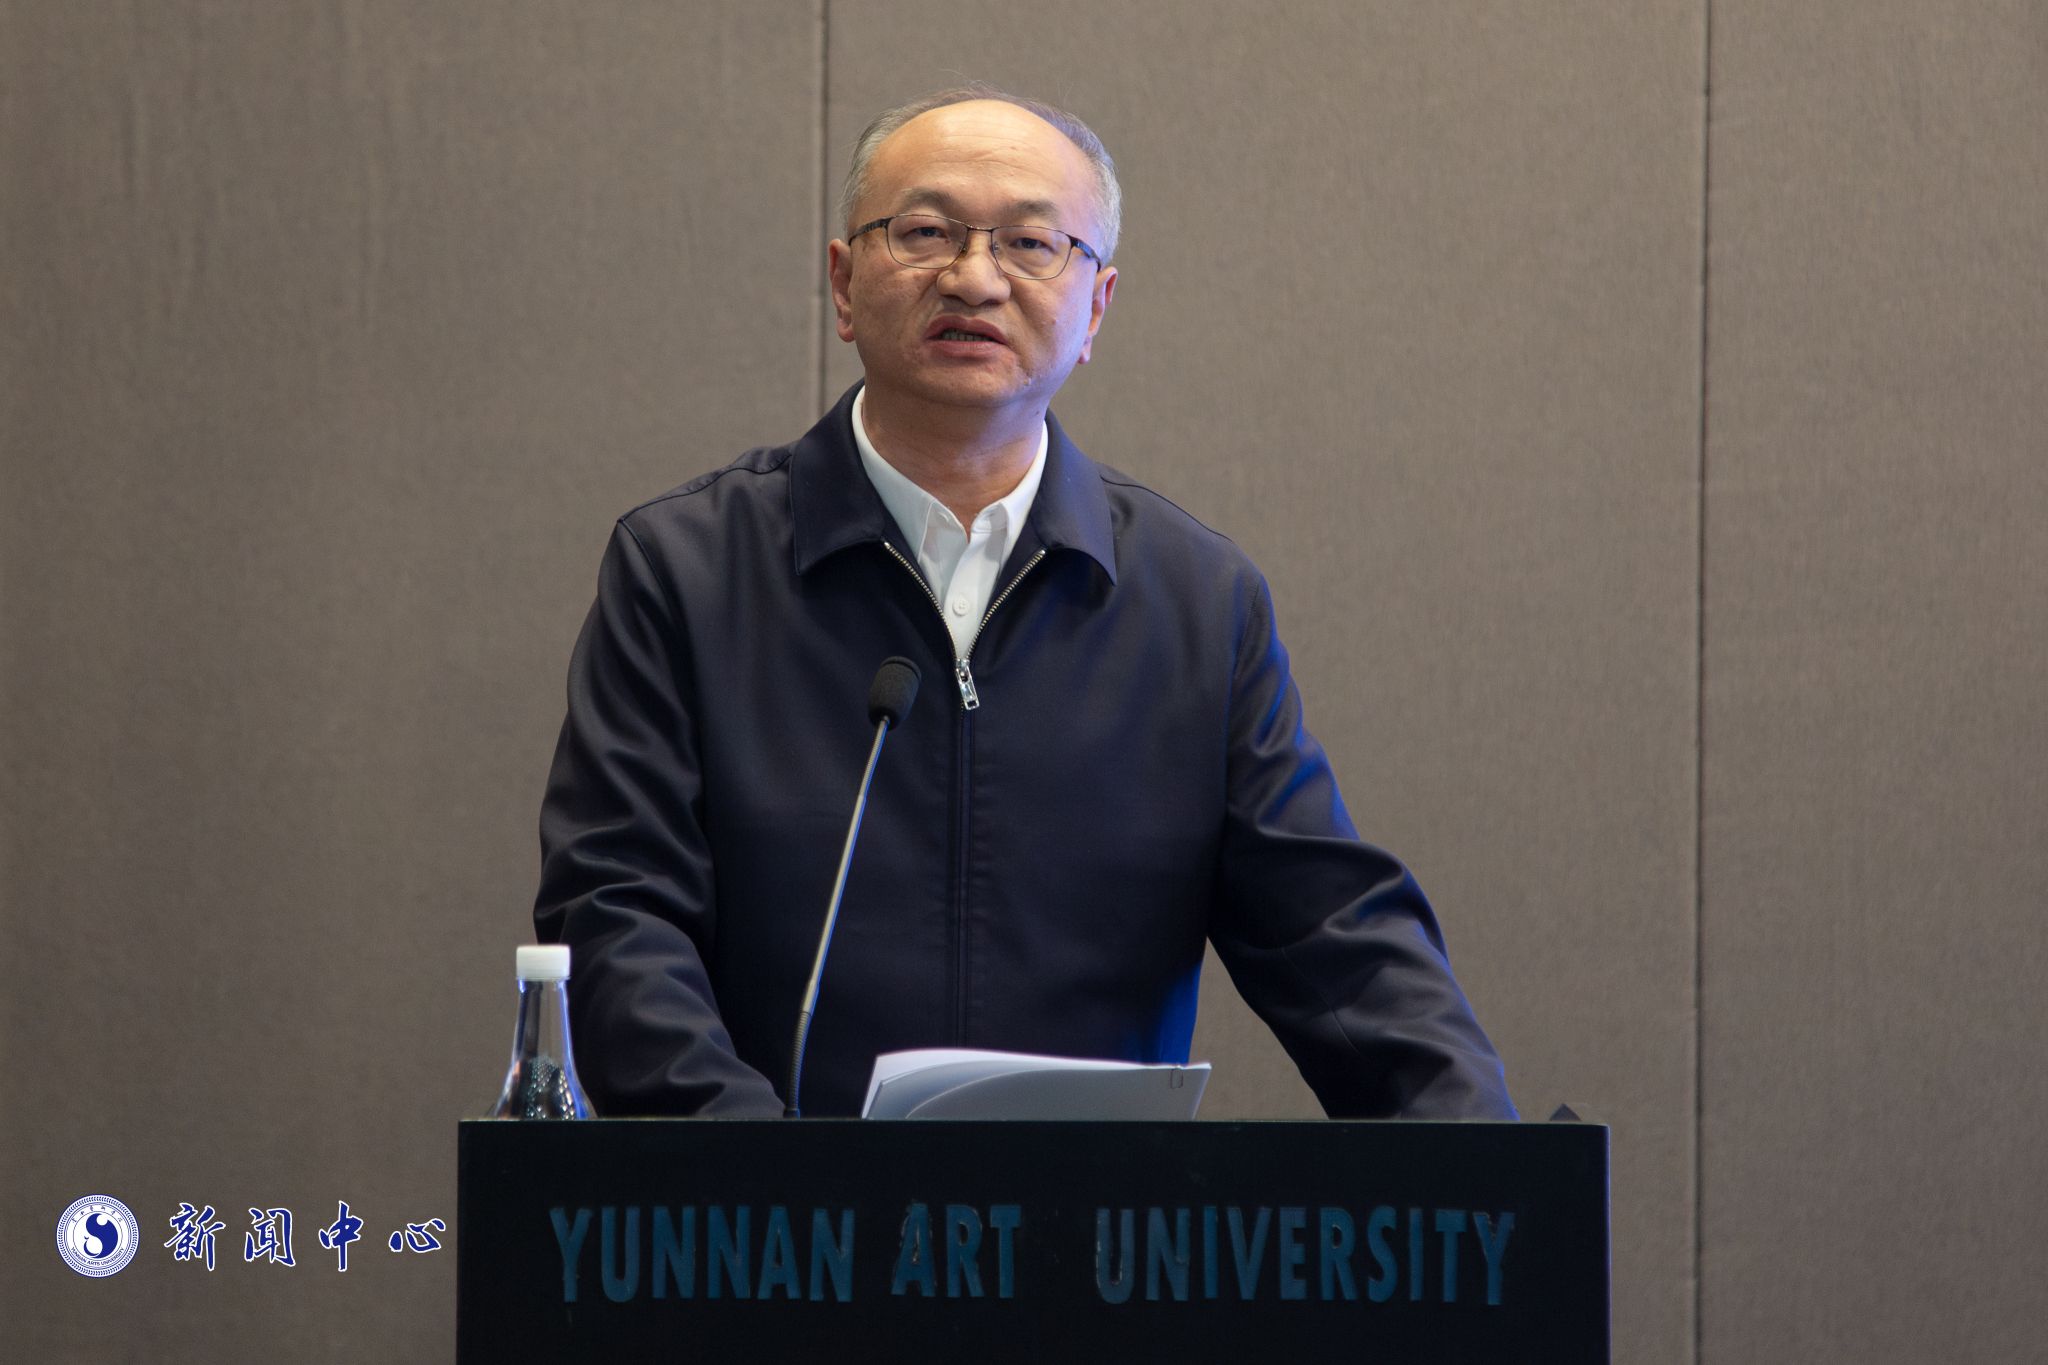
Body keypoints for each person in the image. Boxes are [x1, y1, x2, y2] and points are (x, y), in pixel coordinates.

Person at [533, 85, 1515, 1121]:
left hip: (1089, 1215)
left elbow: (1333, 937)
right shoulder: (687, 570)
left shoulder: (1194, 603)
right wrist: (776, 1180)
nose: (974, 277)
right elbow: (616, 920)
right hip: (766, 1210)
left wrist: (1488, 1162)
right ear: (843, 284)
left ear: (1095, 309)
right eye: (924, 232)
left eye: (1031, 243)